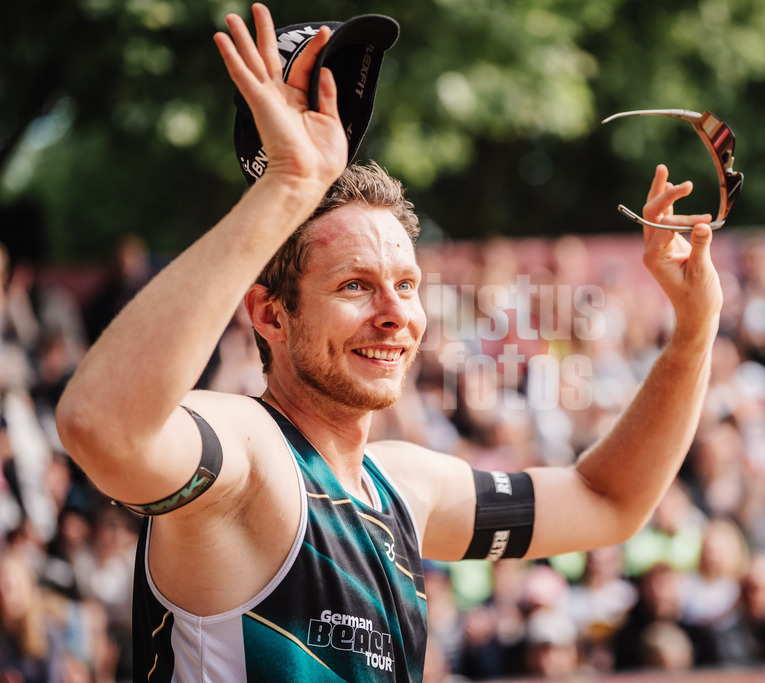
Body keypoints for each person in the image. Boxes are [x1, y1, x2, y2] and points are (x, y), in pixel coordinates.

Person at [54, 4, 722, 681]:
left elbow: (608, 502)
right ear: (270, 315)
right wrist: (288, 185)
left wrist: (694, 331)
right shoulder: (251, 456)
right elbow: (100, 425)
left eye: (406, 284)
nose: (395, 313)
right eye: (355, 286)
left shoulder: (403, 487)